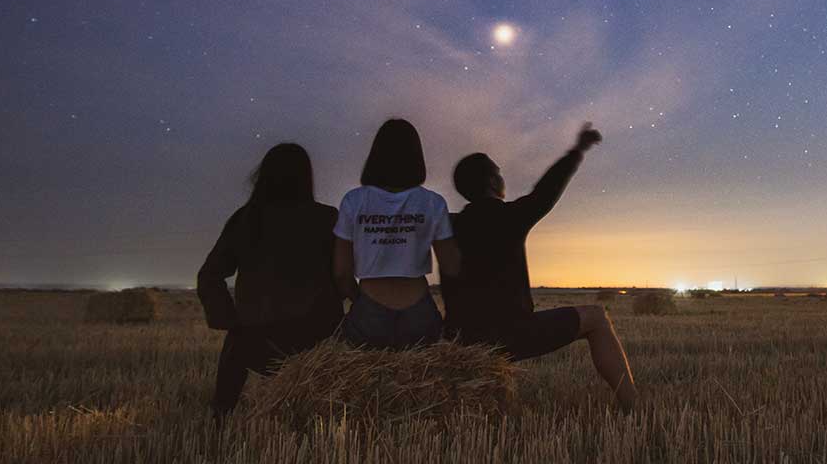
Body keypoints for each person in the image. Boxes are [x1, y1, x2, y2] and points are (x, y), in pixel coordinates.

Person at [442, 123, 638, 411]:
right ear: (493, 182)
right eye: (498, 172)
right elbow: (547, 189)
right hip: (511, 335)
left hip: (460, 337)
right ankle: (634, 407)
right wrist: (578, 151)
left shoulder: (448, 224)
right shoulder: (510, 217)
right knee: (596, 318)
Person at [197, 143, 342, 415]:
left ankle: (221, 412)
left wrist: (230, 320)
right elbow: (343, 274)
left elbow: (209, 275)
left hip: (258, 340)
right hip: (317, 340)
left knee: (235, 345)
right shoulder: (327, 218)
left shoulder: (245, 219)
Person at [333, 118, 460, 348]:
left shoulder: (353, 201)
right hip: (419, 311)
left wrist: (359, 301)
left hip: (369, 309)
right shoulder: (433, 202)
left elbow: (342, 272)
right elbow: (451, 267)